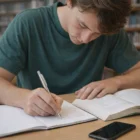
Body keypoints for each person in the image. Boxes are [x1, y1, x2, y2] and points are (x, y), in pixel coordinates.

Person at [0, 0, 140, 117]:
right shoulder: (27, 23)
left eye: (98, 33)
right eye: (82, 25)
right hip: (37, 122)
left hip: (88, 122)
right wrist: (23, 98)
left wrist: (117, 82)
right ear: (70, 2)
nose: (86, 39)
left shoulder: (110, 31)